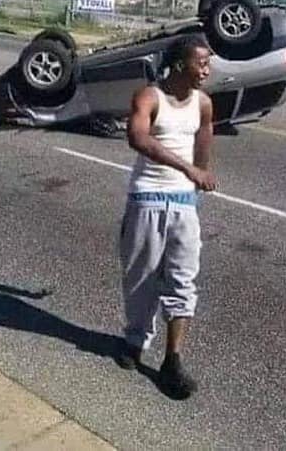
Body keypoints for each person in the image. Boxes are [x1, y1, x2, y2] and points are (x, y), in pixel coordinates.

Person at [117, 35, 216, 399]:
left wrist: (197, 182)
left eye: (208, 63)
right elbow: (138, 138)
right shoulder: (149, 97)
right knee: (140, 280)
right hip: (146, 198)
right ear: (178, 65)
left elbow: (203, 140)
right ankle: (135, 341)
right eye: (200, 63)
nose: (206, 70)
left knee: (182, 281)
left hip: (183, 204)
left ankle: (172, 360)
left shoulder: (203, 103)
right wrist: (187, 168)